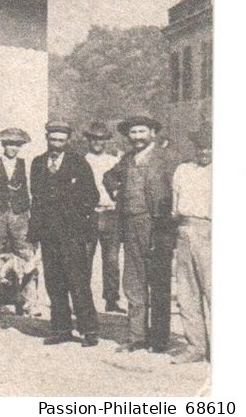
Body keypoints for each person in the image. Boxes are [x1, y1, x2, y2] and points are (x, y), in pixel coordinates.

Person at [104, 114, 176, 353]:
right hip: (130, 226)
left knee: (158, 284)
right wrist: (115, 192)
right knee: (133, 283)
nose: (136, 137)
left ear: (152, 134)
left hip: (157, 228)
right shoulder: (126, 159)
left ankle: (159, 339)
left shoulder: (166, 159)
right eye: (133, 133)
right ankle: (137, 337)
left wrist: (166, 227)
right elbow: (109, 177)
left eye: (141, 132)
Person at [28, 121, 100, 346]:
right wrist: (34, 233)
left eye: (61, 140)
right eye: (53, 139)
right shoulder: (38, 163)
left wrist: (76, 219)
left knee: (78, 281)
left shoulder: (79, 163)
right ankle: (61, 329)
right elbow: (36, 199)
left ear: (67, 141)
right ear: (47, 138)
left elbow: (92, 197)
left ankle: (89, 331)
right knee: (54, 282)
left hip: (71, 233)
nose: (56, 144)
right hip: (48, 233)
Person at [170, 125, 211, 364]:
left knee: (214, 290)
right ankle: (196, 346)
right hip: (185, 229)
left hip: (212, 231)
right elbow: (175, 207)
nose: (204, 151)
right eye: (200, 146)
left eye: (209, 147)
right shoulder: (183, 170)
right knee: (187, 292)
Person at [0, 127, 40, 315]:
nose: (13, 148)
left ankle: (29, 302)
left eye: (16, 145)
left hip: (20, 215)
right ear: (3, 145)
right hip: (0, 214)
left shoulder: (24, 165)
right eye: (9, 144)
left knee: (27, 255)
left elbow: (31, 190)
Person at [82, 121, 123, 312]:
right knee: (85, 259)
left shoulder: (114, 161)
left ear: (107, 141)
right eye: (94, 139)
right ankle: (83, 300)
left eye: (101, 139)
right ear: (88, 140)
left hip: (111, 213)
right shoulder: (81, 160)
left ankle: (111, 299)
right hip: (89, 215)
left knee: (112, 260)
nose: (97, 142)